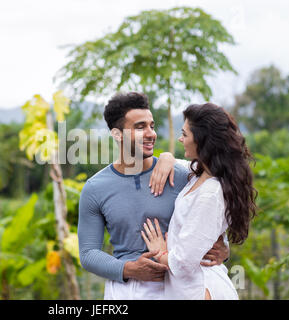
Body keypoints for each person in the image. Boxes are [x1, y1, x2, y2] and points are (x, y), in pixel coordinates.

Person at [77, 93, 229, 300]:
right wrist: (129, 269)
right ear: (117, 134)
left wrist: (224, 249)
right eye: (140, 127)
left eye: (152, 125)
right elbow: (88, 254)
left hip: (178, 287)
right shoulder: (95, 188)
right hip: (126, 291)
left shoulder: (183, 175)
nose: (151, 134)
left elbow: (210, 219)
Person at [141, 103, 257, 299]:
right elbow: (180, 165)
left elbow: (185, 262)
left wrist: (160, 253)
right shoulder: (201, 175)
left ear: (202, 140)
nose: (180, 139)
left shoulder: (210, 193)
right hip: (190, 288)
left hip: (200, 289)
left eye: (185, 134)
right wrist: (167, 157)